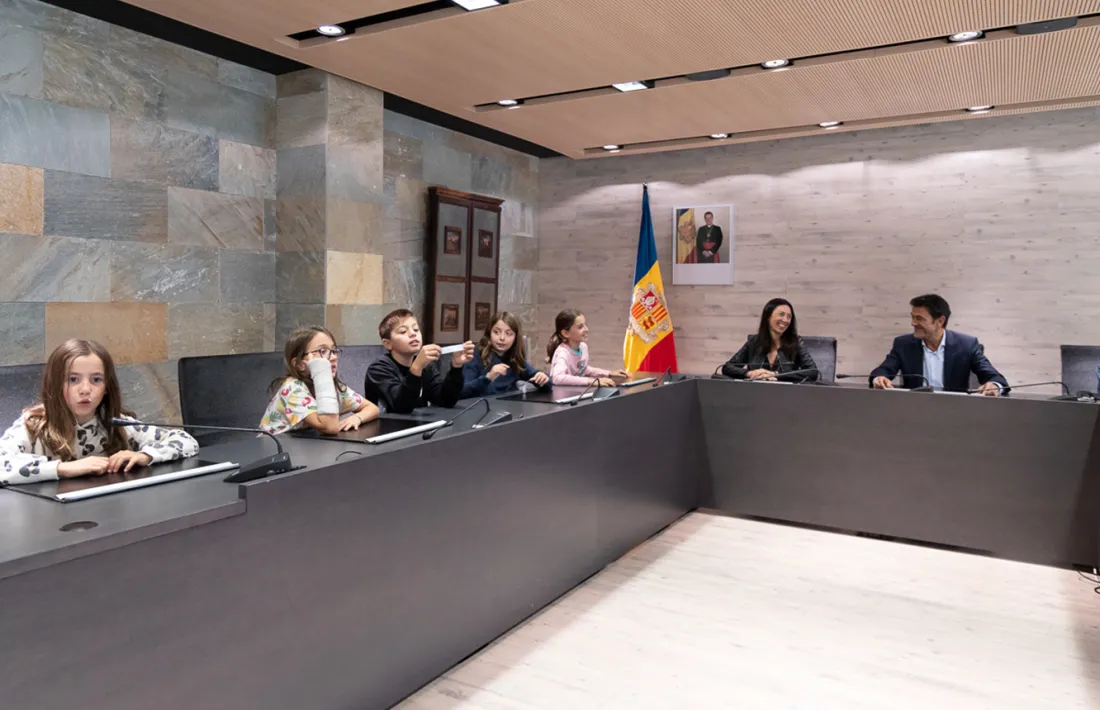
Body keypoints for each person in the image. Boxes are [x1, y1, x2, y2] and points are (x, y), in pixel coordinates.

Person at [0, 339, 199, 485]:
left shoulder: (117, 424)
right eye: (73, 379)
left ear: (106, 388)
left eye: (96, 380)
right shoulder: (34, 425)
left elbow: (186, 441)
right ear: (54, 384)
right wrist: (64, 468)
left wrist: (145, 455)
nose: (85, 389)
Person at [870, 294, 1008, 395]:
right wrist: (879, 379)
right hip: (913, 410)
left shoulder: (966, 345)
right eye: (912, 317)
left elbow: (996, 378)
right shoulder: (903, 344)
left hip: (954, 412)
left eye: (919, 318)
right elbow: (881, 372)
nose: (913, 323)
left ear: (940, 321)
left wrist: (994, 385)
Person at [260, 326, 380, 435]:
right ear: (300, 364)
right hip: (273, 451)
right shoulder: (293, 388)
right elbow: (330, 427)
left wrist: (357, 418)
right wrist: (322, 373)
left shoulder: (336, 388)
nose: (333, 357)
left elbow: (372, 408)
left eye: (333, 351)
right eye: (322, 351)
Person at [364, 308, 475, 413]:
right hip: (387, 428)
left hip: (419, 425)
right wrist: (417, 368)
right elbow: (401, 407)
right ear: (387, 343)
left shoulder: (426, 366)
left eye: (416, 329)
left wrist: (456, 367)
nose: (413, 334)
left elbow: (445, 400)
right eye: (403, 331)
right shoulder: (378, 369)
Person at [721, 298, 817, 380]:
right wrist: (749, 373)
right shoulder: (754, 342)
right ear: (768, 317)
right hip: (755, 394)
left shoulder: (796, 342)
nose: (785, 320)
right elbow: (727, 367)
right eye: (781, 314)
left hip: (786, 396)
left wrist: (776, 375)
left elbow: (813, 372)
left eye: (789, 317)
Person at [462, 312, 551, 397]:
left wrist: (543, 378)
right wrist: (488, 377)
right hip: (480, 408)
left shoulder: (514, 359)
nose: (502, 338)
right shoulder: (475, 355)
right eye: (496, 332)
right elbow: (463, 391)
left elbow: (545, 382)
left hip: (509, 408)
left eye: (508, 334)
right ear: (489, 333)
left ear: (515, 338)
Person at [546, 309, 627, 386]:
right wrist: (591, 381)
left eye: (585, 325)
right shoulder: (562, 353)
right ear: (566, 333)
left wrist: (609, 373)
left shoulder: (583, 347)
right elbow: (557, 378)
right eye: (580, 327)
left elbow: (583, 369)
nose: (587, 329)